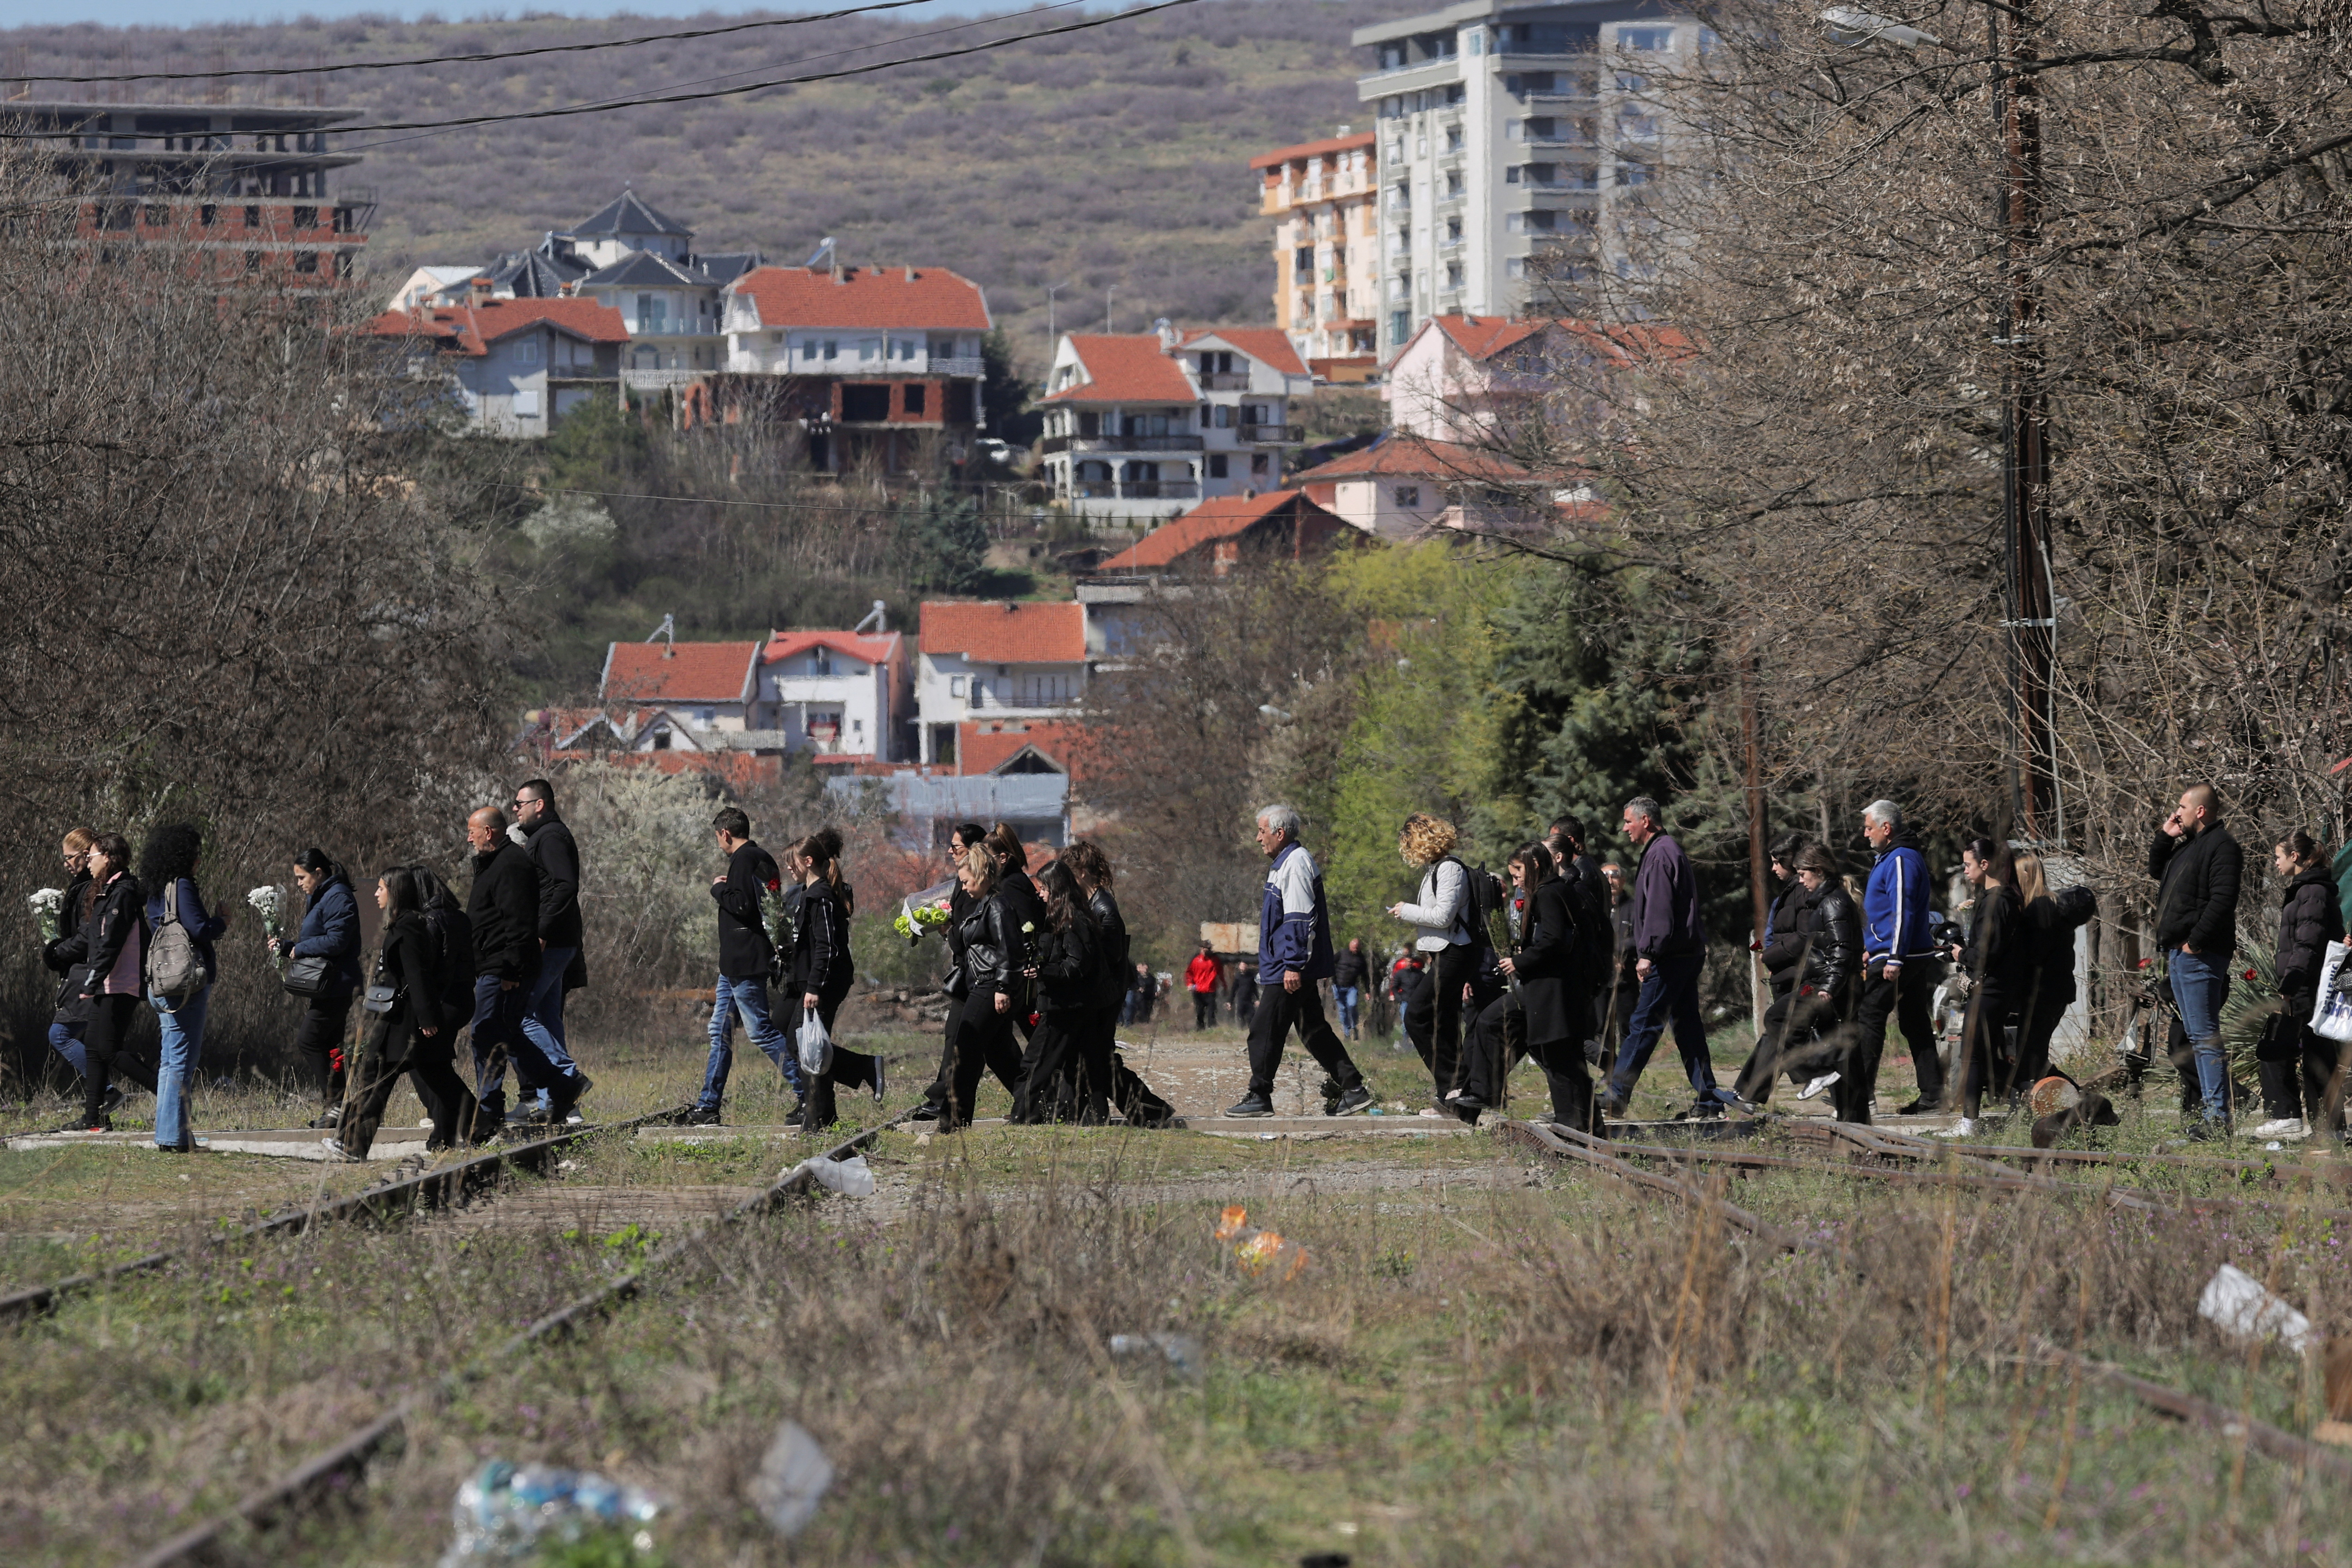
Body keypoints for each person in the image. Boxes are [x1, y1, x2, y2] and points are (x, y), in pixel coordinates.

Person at [1225, 804, 1371, 1118]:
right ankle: (1354, 1088)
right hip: (1288, 965)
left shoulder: (1295, 864)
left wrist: (1293, 964)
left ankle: (1260, 1095)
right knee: (1312, 1029)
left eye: (1262, 832)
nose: (1257, 838)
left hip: (1289, 968)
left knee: (1264, 1029)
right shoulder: (1284, 863)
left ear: (1280, 833)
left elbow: (1299, 919)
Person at [327, 867, 480, 1161]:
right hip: (395, 1019)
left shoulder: (408, 927)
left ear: (395, 891)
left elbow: (418, 975)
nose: (376, 894)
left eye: (382, 888)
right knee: (401, 1077)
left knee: (377, 1080)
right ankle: (480, 1126)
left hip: (401, 1022)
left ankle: (351, 1145)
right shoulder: (403, 924)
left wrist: (427, 1018)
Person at [1600, 797, 1727, 1119]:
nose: (1625, 827)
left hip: (1669, 956)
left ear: (1647, 821)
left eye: (1629, 821)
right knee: (1688, 1029)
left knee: (1644, 1023)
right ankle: (1709, 1100)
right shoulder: (1666, 849)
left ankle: (1617, 1091)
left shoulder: (1660, 854)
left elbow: (1659, 910)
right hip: (1685, 953)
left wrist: (1647, 954)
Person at [692, 808, 800, 1126]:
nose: (719, 842)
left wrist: (718, 888)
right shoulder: (761, 858)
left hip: (743, 960)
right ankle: (708, 1104)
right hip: (736, 963)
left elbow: (741, 905)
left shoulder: (743, 859)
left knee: (759, 1030)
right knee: (719, 1030)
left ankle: (808, 1090)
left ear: (725, 833)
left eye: (718, 837)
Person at [1839, 800, 1944, 1123]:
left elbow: (1904, 910)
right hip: (1894, 952)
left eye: (1869, 827)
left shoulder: (1900, 858)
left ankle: (1861, 1096)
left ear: (1887, 828)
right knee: (1914, 1020)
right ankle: (1933, 1094)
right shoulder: (1890, 857)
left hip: (1901, 955)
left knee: (1870, 1015)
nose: (1865, 833)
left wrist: (1895, 956)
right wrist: (1873, 945)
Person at [1062, 839, 1180, 1127]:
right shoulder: (1093, 904)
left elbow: (1111, 958)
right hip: (1101, 996)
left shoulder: (1103, 908)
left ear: (1082, 873)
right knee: (1098, 1060)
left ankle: (1147, 1110)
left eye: (1069, 873)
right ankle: (1142, 1111)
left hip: (1104, 998)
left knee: (1100, 1060)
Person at [2149, 783, 2244, 1137]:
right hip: (2178, 953)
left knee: (2204, 1037)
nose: (2177, 813)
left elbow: (2223, 900)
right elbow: (2156, 870)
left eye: (2182, 807)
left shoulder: (2223, 847)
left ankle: (2218, 1118)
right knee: (2195, 1036)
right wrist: (2165, 835)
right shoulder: (2188, 847)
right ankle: (2211, 1114)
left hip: (2199, 955)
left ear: (2200, 811)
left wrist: (2195, 942)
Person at [49, 833, 153, 1134]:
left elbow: (110, 942)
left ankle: (167, 1090)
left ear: (107, 857)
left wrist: (92, 978)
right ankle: (92, 1117)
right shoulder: (107, 890)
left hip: (121, 983)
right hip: (105, 983)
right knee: (94, 1049)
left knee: (107, 1050)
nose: (89, 861)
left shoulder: (122, 892)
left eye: (92, 856)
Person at [463, 805, 554, 1139]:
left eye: (473, 830)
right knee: (506, 1034)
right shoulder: (494, 862)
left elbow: (518, 921)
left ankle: (489, 1111)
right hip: (493, 962)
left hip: (502, 966)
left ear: (489, 832)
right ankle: (562, 1083)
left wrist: (511, 968)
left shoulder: (510, 864)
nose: (469, 836)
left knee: (486, 1032)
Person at [140, 823, 228, 1154]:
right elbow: (199, 928)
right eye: (195, 854)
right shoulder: (182, 885)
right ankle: (174, 1138)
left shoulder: (154, 888)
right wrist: (222, 921)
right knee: (181, 1062)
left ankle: (170, 1134)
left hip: (161, 982)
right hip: (185, 986)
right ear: (185, 856)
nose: (198, 860)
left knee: (169, 1060)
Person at [1387, 813, 1487, 1106]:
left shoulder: (1449, 869)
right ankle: (1455, 1091)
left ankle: (1453, 1086)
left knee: (1417, 1016)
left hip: (1457, 952)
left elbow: (1443, 917)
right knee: (1443, 1021)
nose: (1410, 852)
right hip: (1445, 953)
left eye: (1410, 844)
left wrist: (1406, 910)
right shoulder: (1435, 869)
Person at [1733, 836, 1837, 1107]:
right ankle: (1749, 1093)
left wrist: (1770, 955)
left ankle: (1823, 1077)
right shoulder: (1790, 893)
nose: (1773, 868)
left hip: (1799, 975)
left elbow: (1805, 936)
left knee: (1782, 1030)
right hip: (1789, 973)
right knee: (1780, 1032)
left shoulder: (1802, 892)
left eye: (1778, 862)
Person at [512, 778, 593, 1123]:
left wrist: (542, 931)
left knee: (519, 1012)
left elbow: (565, 885)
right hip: (560, 942)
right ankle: (560, 1104)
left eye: (520, 803)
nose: (515, 809)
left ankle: (566, 1077)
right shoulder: (546, 837)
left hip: (551, 942)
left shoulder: (550, 837)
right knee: (547, 1017)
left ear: (539, 804)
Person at [790, 827, 880, 1132]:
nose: (789, 867)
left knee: (811, 1047)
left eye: (793, 861)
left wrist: (814, 986)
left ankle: (819, 1117)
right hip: (811, 981)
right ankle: (826, 1111)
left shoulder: (822, 898)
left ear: (809, 861)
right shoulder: (812, 894)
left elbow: (827, 946)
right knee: (806, 1043)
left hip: (823, 983)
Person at [2257, 830, 2345, 1142]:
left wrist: (2292, 979)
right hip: (2304, 985)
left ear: (2295, 857)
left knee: (2313, 1056)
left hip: (2310, 986)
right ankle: (2293, 1118)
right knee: (2283, 1048)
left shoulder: (2312, 892)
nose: (2276, 863)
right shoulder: (2305, 890)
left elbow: (2308, 942)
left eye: (2279, 857)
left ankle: (2324, 1127)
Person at [1938, 839, 2028, 1138]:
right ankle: (2032, 1088)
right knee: (1982, 1057)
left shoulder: (1997, 901)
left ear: (1985, 865)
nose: (1965, 870)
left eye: (1968, 864)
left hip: (1992, 988)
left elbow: (1988, 953)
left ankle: (1970, 1123)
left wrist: (1960, 954)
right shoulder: (1994, 898)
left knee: (1972, 1055)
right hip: (1992, 986)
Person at [271, 847, 363, 1128]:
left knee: (309, 1040)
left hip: (338, 984)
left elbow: (337, 941)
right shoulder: (323, 896)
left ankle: (337, 1104)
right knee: (332, 1047)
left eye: (302, 878)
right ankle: (345, 1107)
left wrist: (300, 949)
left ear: (319, 873)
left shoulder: (338, 897)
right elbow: (318, 938)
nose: (299, 884)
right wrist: (288, 948)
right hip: (328, 984)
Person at [1012, 856, 1105, 1122]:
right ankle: (1085, 1116)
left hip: (1064, 1007)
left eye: (1044, 889)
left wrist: (1044, 971)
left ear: (1057, 889)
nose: (1040, 895)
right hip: (1062, 1004)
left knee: (1036, 1064)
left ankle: (1024, 1116)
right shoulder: (1061, 919)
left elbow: (1077, 965)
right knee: (1073, 1066)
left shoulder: (1074, 920)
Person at [942, 845, 1026, 1128]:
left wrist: (1004, 987)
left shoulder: (997, 906)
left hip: (990, 987)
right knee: (1001, 1055)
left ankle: (956, 1119)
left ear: (981, 875)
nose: (963, 887)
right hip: (983, 984)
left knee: (964, 1050)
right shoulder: (985, 905)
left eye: (967, 881)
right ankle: (1035, 1104)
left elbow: (1010, 950)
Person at [912, 822, 989, 1123]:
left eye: (956, 847)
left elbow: (971, 929)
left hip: (977, 974)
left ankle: (944, 1098)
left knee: (961, 1038)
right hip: (968, 970)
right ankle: (1032, 1094)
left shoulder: (977, 885)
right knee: (980, 1043)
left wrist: (947, 928)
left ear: (972, 849)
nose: (950, 851)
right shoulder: (962, 880)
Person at [2013, 853, 2097, 1095]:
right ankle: (2073, 1099)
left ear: (2026, 876)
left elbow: (2034, 955)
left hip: (2043, 995)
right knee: (2033, 1058)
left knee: (2032, 1059)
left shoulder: (2041, 910)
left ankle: (2079, 1098)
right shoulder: (2052, 907)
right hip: (2053, 993)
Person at [41, 827, 101, 1093]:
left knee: (61, 1034)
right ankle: (99, 1104)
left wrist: (56, 951)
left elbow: (86, 938)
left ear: (86, 855)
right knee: (99, 1044)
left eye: (70, 857)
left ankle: (108, 1091)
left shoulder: (90, 887)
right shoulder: (80, 886)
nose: (66, 864)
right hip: (80, 971)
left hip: (86, 973)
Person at [1600, 862, 1637, 1062]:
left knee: (1626, 1026)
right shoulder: (1597, 907)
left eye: (1615, 875)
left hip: (1626, 978)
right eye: (1605, 875)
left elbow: (1639, 938)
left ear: (1623, 880)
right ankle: (1609, 1069)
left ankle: (1627, 1069)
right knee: (1602, 1027)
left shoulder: (1634, 907)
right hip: (1601, 978)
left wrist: (1618, 950)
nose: (1610, 880)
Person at [1332, 938, 1370, 1041]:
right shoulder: (1342, 954)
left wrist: (1367, 991)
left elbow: (1365, 976)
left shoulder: (1361, 959)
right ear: (1350, 946)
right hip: (1338, 986)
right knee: (1343, 1010)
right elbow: (1331, 963)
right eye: (1354, 948)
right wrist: (1327, 975)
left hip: (1351, 988)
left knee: (1352, 1005)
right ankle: (1347, 1032)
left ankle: (1354, 1027)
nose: (1355, 950)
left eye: (1357, 948)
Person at [1185, 940, 1221, 1030]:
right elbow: (1189, 973)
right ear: (1202, 949)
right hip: (1198, 990)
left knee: (1211, 1010)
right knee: (1200, 1011)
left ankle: (1212, 1028)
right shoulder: (1195, 960)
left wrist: (1224, 985)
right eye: (1207, 948)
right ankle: (1200, 1027)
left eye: (1210, 948)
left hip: (1211, 989)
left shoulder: (1215, 960)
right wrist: (1190, 984)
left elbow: (1221, 973)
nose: (1209, 950)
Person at [1230, 961, 1258, 1029]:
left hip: (1249, 1000)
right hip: (1241, 999)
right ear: (1239, 967)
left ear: (1247, 967)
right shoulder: (1237, 977)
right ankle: (1242, 1029)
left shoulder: (1251, 976)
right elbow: (1234, 990)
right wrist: (1230, 1002)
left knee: (1251, 1015)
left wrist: (1257, 999)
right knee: (1240, 1015)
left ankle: (1250, 1029)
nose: (1243, 967)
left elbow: (1255, 989)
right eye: (1242, 966)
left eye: (1244, 966)